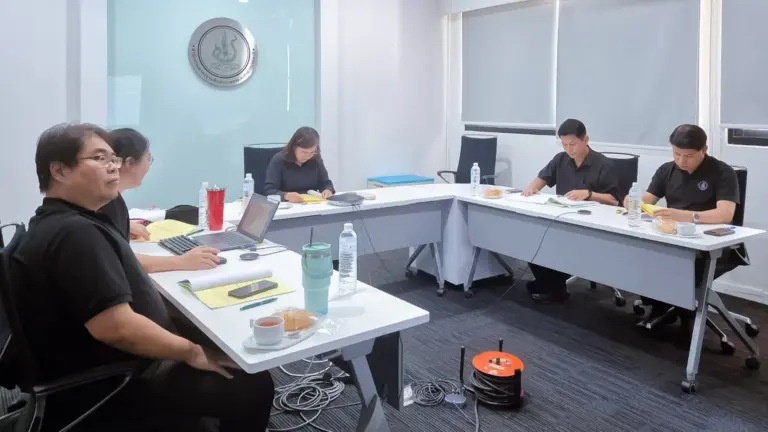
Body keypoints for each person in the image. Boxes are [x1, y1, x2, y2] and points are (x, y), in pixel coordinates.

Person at [12, 124, 274, 431]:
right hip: (120, 379)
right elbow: (117, 328)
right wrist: (191, 352)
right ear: (59, 170)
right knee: (254, 385)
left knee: (213, 341)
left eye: (114, 158)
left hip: (115, 363)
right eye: (99, 158)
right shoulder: (74, 234)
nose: (113, 166)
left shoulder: (61, 221)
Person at [623, 124, 747, 328]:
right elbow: (647, 201)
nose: (681, 161)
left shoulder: (722, 172)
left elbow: (725, 215)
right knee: (643, 254)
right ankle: (661, 306)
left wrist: (685, 216)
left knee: (674, 267)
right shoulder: (666, 170)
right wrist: (633, 202)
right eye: (676, 154)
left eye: (688, 156)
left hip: (712, 245)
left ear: (704, 150)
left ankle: (683, 314)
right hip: (674, 237)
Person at [521, 119, 621, 303]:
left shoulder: (604, 165)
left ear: (586, 140)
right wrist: (531, 189)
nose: (569, 149)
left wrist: (589, 194)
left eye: (573, 144)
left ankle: (552, 287)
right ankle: (550, 286)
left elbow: (614, 200)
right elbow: (542, 178)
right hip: (562, 218)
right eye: (564, 144)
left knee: (556, 245)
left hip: (591, 224)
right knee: (533, 238)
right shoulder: (561, 159)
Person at [100, 128, 221, 273]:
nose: (149, 166)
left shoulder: (108, 201)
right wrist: (181, 261)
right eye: (148, 158)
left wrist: (123, 226)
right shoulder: (105, 204)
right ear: (130, 163)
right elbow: (121, 261)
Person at [264, 126, 335, 203]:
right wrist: (285, 195)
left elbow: (325, 182)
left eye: (312, 152)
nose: (308, 156)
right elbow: (270, 191)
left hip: (312, 204)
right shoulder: (279, 160)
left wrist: (328, 190)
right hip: (287, 205)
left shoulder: (315, 158)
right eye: (304, 152)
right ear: (294, 147)